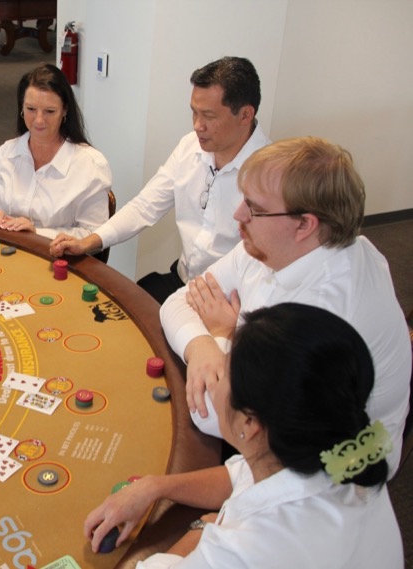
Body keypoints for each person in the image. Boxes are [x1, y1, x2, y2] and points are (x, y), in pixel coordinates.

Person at [160, 137, 411, 474]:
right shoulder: (274, 242)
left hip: (331, 478)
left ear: (305, 224)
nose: (238, 214)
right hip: (276, 428)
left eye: (254, 207)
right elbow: (176, 302)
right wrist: (204, 347)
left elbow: (214, 415)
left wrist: (223, 334)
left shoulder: (323, 313)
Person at [85, 303, 403, 567]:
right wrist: (153, 488)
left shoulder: (241, 551)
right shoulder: (342, 454)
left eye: (224, 370)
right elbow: (242, 475)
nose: (216, 377)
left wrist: (201, 531)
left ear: (250, 424)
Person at [49, 57, 270, 303]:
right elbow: (146, 206)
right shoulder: (190, 146)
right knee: (114, 309)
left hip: (229, 302)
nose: (198, 125)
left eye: (209, 116)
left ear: (245, 115)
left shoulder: (271, 176)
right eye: (194, 112)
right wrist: (87, 242)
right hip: (185, 281)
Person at [0, 64, 111, 240]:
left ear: (65, 111)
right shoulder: (7, 152)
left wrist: (37, 233)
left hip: (58, 260)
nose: (39, 120)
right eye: (31, 109)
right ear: (21, 109)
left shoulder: (90, 165)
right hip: (5, 252)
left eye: (49, 111)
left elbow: (93, 235)